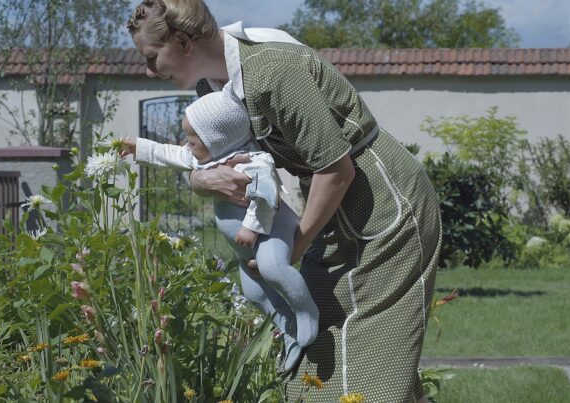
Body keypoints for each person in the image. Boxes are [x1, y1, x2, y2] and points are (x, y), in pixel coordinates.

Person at [126, 1, 442, 402]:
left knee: (366, 359)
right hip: (330, 209)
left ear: (184, 43)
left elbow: (336, 171)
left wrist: (294, 248)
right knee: (319, 351)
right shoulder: (212, 89)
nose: (150, 71)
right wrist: (202, 181)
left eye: (152, 58)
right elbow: (204, 164)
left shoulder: (272, 70)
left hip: (382, 204)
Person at [119, 83, 319, 372]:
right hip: (244, 247)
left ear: (216, 139)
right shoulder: (207, 157)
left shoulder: (253, 161)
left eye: (192, 140)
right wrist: (138, 147)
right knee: (254, 293)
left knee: (273, 268)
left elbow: (267, 195)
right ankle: (287, 328)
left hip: (271, 230)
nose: (186, 145)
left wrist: (251, 228)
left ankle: (306, 311)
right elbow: (170, 153)